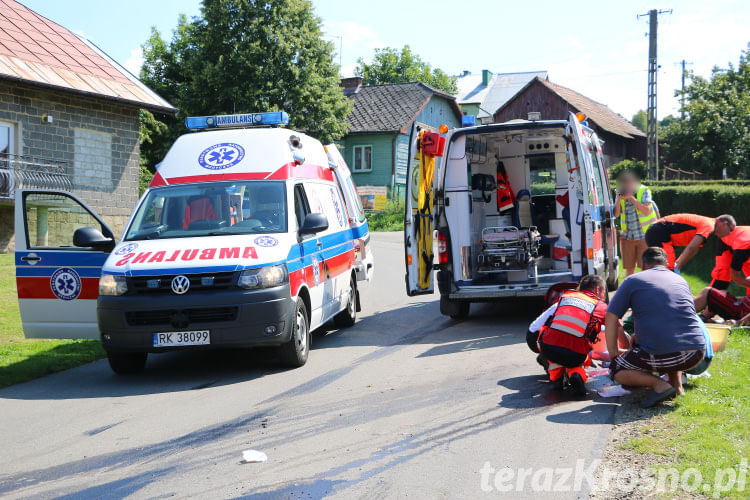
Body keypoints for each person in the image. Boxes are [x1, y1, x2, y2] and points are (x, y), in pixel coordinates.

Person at [605, 247, 706, 408]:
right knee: (669, 342)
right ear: (666, 264)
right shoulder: (680, 280)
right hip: (697, 353)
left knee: (615, 369)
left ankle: (660, 386)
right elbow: (675, 318)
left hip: (668, 352)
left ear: (643, 264)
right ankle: (677, 387)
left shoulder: (633, 281)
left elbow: (611, 316)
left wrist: (613, 353)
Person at [527, 275, 615, 396]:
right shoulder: (599, 307)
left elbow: (537, 327)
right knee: (581, 351)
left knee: (553, 346)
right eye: (605, 292)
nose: (604, 297)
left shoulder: (566, 298)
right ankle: (576, 374)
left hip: (546, 347)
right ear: (598, 290)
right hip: (574, 355)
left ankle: (555, 377)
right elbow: (610, 332)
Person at [613, 171, 657, 276]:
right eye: (624, 184)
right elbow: (616, 214)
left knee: (645, 268)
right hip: (628, 237)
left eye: (628, 184)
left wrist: (631, 198)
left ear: (633, 182)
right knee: (629, 270)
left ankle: (645, 291)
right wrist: (618, 198)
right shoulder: (621, 194)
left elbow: (646, 210)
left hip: (644, 236)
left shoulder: (643, 190)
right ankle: (630, 291)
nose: (626, 187)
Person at [644, 213, 715, 272]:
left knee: (665, 269)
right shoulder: (709, 225)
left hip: (658, 231)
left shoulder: (708, 226)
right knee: (667, 269)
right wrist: (677, 267)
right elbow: (691, 248)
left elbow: (694, 249)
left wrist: (678, 263)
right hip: (658, 231)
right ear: (724, 224)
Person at [712, 218, 750, 292]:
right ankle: (708, 299)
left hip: (743, 240)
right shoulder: (742, 250)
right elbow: (735, 276)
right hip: (728, 243)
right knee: (722, 278)